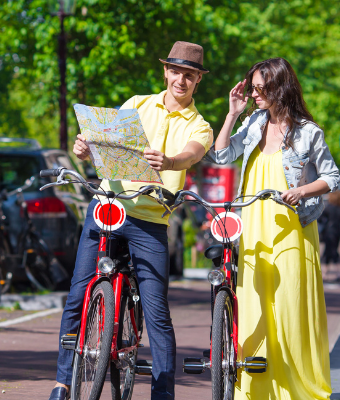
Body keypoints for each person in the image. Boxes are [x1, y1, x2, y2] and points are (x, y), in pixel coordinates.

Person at [48, 41, 214, 400]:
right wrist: (87, 150)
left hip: (151, 218)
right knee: (78, 293)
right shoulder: (136, 105)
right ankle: (62, 382)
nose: (181, 81)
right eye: (176, 72)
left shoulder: (200, 125)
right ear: (165, 72)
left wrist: (169, 161)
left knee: (156, 313)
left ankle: (162, 393)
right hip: (108, 206)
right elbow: (107, 155)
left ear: (198, 79)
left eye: (190, 75)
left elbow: (191, 155)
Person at [206, 57, 340, 399]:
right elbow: (220, 156)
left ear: (281, 87)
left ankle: (298, 387)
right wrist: (232, 113)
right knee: (254, 306)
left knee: (289, 306)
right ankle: (256, 387)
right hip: (253, 226)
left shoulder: (308, 131)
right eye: (252, 88)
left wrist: (302, 190)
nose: (254, 94)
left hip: (290, 229)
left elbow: (331, 176)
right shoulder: (252, 123)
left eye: (260, 88)